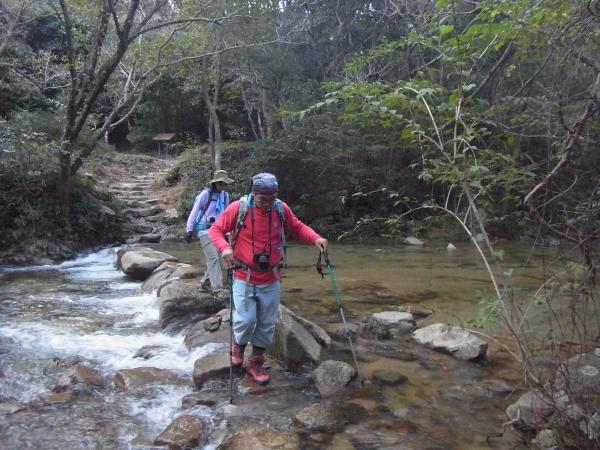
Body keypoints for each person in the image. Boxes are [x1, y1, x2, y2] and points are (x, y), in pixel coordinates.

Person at [209, 172, 327, 385]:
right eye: (263, 199)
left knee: (266, 324)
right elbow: (216, 229)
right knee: (246, 320)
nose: (267, 204)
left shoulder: (280, 209)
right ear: (253, 194)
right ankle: (238, 345)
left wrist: (315, 238)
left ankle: (255, 362)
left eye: (271, 198)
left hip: (271, 277)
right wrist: (225, 248)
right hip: (243, 275)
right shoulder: (238, 208)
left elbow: (297, 226)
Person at [185, 169, 234, 292]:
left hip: (219, 231)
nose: (222, 186)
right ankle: (217, 289)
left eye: (224, 183)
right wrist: (189, 230)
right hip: (204, 230)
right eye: (220, 183)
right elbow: (195, 211)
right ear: (214, 183)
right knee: (213, 258)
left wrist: (227, 233)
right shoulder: (205, 194)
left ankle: (205, 283)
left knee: (219, 259)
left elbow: (225, 215)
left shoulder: (225, 196)